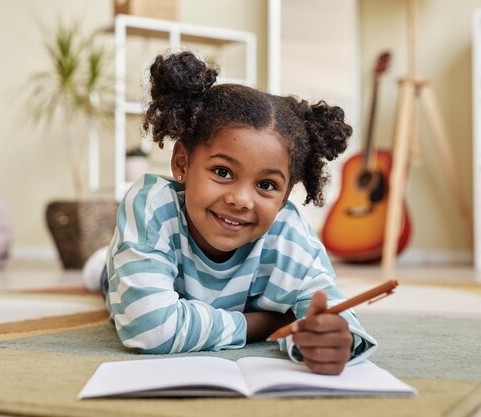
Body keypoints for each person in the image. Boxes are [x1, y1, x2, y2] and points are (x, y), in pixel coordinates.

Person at [87, 51, 377, 375]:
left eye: (267, 184)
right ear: (182, 163)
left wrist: (334, 338)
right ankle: (101, 262)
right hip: (122, 276)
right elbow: (149, 327)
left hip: (209, 302)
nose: (241, 200)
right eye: (223, 172)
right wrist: (263, 324)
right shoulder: (153, 206)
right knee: (105, 277)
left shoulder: (288, 235)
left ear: (285, 195)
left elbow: (333, 312)